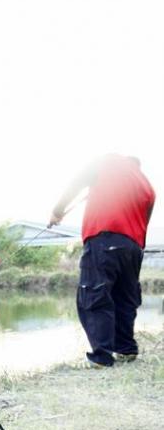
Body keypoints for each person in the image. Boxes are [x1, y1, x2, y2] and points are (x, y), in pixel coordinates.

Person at [49, 154, 155, 368]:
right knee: (125, 298)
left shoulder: (105, 164)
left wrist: (57, 212)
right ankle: (126, 349)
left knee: (94, 293)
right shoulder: (147, 186)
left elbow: (75, 183)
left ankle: (102, 357)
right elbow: (146, 220)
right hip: (133, 247)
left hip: (104, 238)